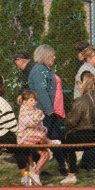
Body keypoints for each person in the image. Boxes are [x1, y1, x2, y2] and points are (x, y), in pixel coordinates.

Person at [0, 74, 36, 184]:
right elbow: (12, 126)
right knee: (21, 144)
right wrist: (24, 133)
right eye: (3, 83)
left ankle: (31, 170)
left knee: (20, 142)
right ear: (0, 85)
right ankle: (27, 175)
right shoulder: (1, 101)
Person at [62, 71, 95, 185]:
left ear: (83, 84)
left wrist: (72, 125)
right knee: (67, 137)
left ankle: (71, 174)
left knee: (65, 138)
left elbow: (70, 122)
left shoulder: (80, 101)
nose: (78, 85)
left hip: (83, 136)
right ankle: (73, 166)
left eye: (79, 83)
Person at [27, 44, 67, 174]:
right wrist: (50, 110)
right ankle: (37, 169)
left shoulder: (45, 69)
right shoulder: (40, 70)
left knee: (55, 138)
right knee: (41, 139)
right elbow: (41, 92)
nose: (54, 57)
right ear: (45, 56)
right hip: (43, 112)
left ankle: (63, 166)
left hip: (48, 111)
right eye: (52, 55)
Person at [16, 89, 59, 185]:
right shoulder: (23, 110)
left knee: (46, 155)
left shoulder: (37, 111)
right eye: (31, 100)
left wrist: (43, 129)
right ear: (25, 102)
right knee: (40, 136)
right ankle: (49, 142)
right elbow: (28, 123)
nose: (34, 102)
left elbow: (39, 126)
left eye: (35, 100)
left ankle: (35, 173)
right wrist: (37, 118)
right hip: (25, 138)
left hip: (36, 138)